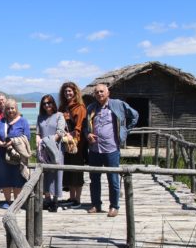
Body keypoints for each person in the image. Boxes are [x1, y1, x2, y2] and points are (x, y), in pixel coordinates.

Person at [85, 84, 139, 217]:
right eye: (97, 92)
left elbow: (135, 115)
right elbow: (85, 126)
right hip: (94, 149)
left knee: (113, 179)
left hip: (111, 149)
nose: (99, 94)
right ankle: (96, 204)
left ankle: (114, 206)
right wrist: (88, 134)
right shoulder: (91, 108)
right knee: (94, 179)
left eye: (101, 91)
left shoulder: (118, 104)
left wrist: (125, 131)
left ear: (108, 92)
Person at [0, 99, 30, 209]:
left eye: (12, 108)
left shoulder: (23, 121)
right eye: (8, 108)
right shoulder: (1, 122)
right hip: (2, 154)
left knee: (18, 178)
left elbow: (27, 137)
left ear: (16, 109)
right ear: (5, 110)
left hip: (17, 155)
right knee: (5, 178)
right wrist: (2, 144)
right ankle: (7, 201)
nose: (10, 110)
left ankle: (16, 202)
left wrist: (13, 141)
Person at [58, 82, 87, 207]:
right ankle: (71, 197)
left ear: (75, 92)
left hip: (76, 144)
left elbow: (79, 126)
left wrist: (73, 139)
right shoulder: (62, 107)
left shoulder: (80, 107)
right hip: (65, 142)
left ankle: (77, 199)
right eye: (65, 91)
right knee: (68, 170)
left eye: (70, 91)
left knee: (77, 171)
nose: (67, 93)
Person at [36, 95, 65, 211]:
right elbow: (38, 133)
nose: (47, 105)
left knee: (56, 174)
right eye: (44, 103)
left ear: (53, 103)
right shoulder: (40, 117)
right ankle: (47, 199)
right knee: (45, 174)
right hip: (43, 151)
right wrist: (39, 141)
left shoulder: (59, 115)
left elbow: (60, 133)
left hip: (55, 149)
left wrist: (47, 141)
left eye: (49, 103)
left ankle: (55, 200)